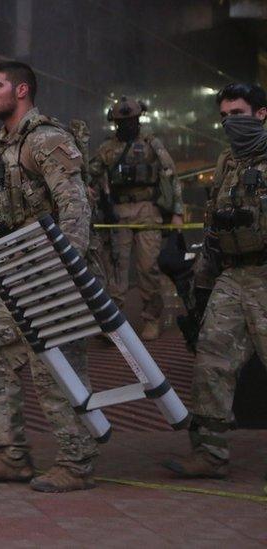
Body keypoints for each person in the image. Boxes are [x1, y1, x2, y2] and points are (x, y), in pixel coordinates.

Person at [0, 61, 98, 492]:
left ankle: (76, 463)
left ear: (22, 90)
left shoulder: (46, 140)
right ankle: (9, 455)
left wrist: (68, 266)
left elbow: (74, 205)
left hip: (48, 273)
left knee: (54, 367)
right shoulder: (0, 150)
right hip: (12, 274)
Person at [163, 83, 267, 479]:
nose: (229, 123)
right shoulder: (227, 162)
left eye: (237, 114)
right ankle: (210, 453)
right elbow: (212, 229)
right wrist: (201, 285)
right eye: (223, 116)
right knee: (211, 359)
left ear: (261, 113)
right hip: (233, 275)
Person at [88, 97, 184, 340]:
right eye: (122, 122)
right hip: (119, 213)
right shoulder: (108, 148)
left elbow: (171, 176)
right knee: (116, 271)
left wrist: (177, 213)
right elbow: (91, 173)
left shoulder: (152, 143)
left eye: (130, 120)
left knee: (148, 268)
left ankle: (151, 317)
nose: (127, 125)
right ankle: (114, 322)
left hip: (148, 211)